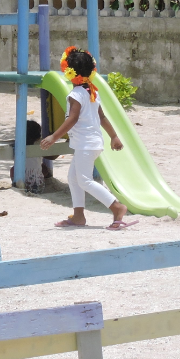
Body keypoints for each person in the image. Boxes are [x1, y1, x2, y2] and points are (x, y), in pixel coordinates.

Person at [39, 47, 129, 229]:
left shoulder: (76, 94)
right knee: (73, 178)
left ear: (71, 73)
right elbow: (102, 117)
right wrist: (113, 137)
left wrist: (54, 137)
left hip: (86, 145)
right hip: (91, 143)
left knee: (84, 180)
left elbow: (73, 118)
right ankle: (78, 216)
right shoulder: (92, 92)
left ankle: (117, 207)